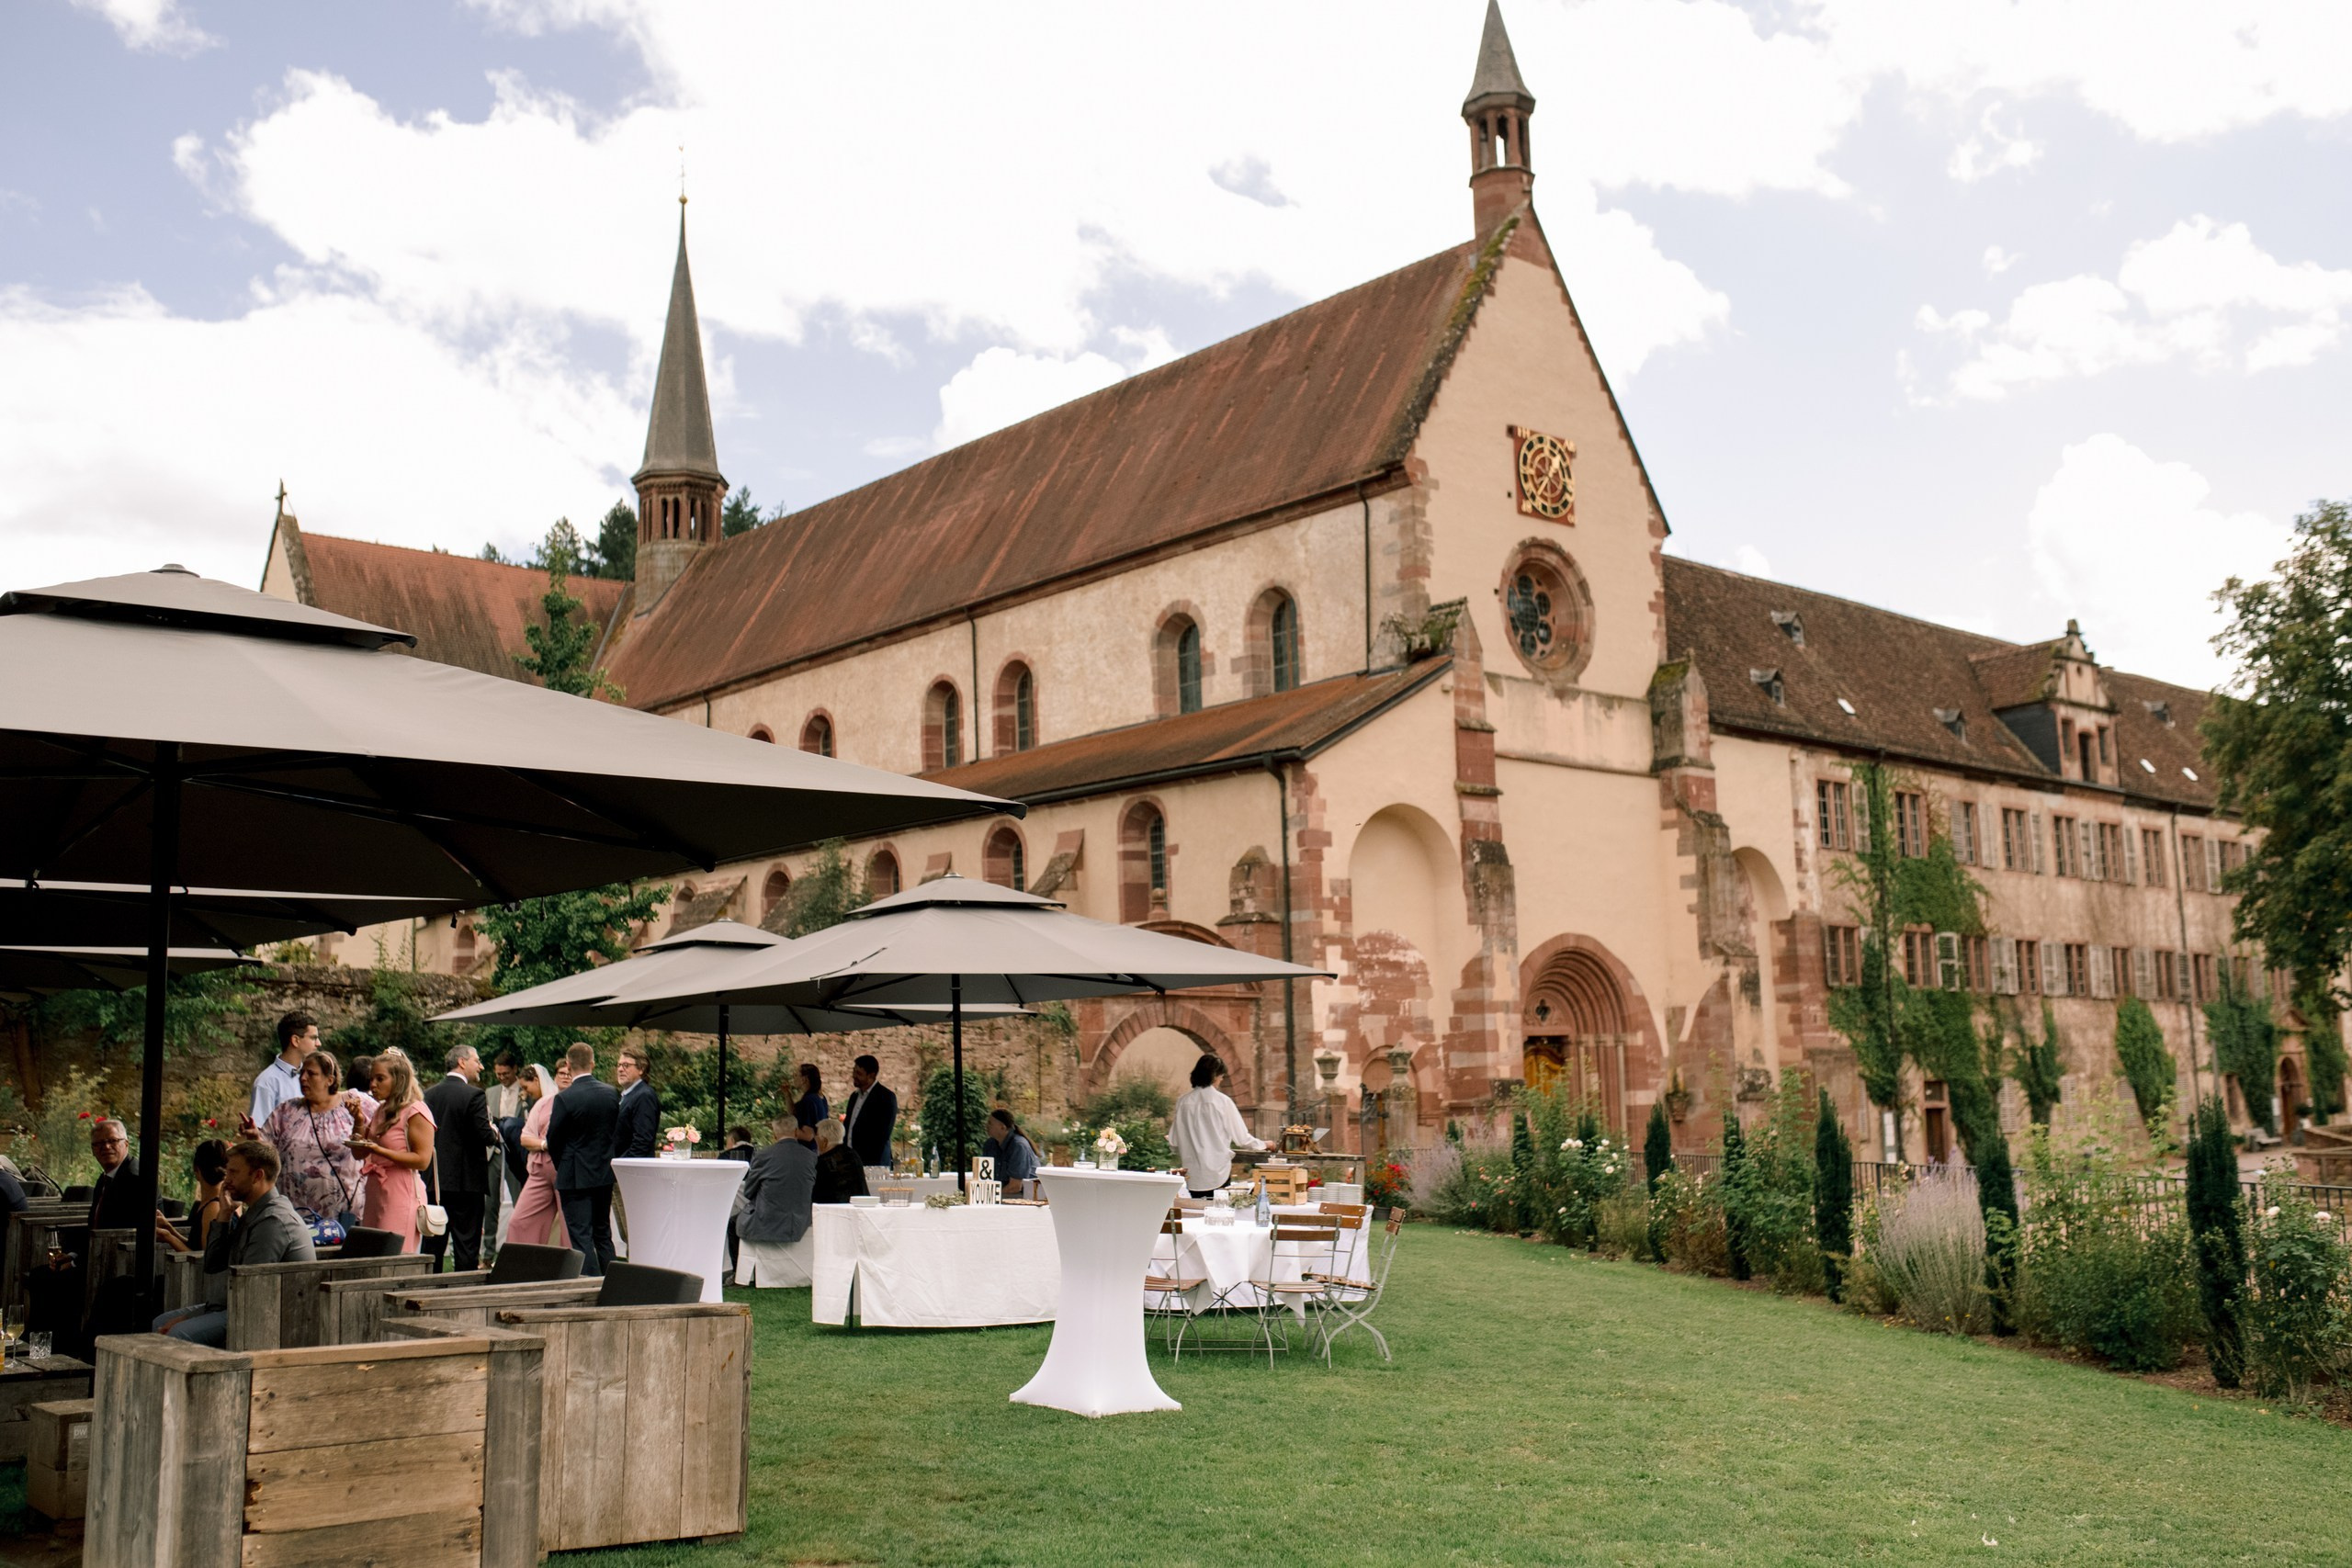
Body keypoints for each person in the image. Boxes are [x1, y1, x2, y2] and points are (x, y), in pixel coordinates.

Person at [151, 1139, 314, 1347]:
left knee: (178, 1334)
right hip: (241, 1305)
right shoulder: (254, 1212)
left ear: (257, 1176)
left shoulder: (273, 1221)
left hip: (272, 1316)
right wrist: (224, 1216)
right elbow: (213, 1264)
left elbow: (249, 1290)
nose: (226, 1180)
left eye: (233, 1173)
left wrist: (188, 1318)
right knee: (160, 1322)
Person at [253, 1048, 369, 1235]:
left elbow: (387, 1126)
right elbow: (265, 1146)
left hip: (345, 1212)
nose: (303, 1078)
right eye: (302, 1073)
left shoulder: (355, 1103)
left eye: (311, 1074)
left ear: (329, 1080)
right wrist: (254, 1137)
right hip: (296, 1215)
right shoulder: (287, 1111)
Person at [347, 1047, 437, 1252]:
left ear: (399, 1079)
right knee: (371, 1253)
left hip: (400, 1192)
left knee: (393, 1255)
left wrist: (379, 1150)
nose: (372, 1085)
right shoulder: (381, 1109)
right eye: (372, 1079)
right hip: (375, 1191)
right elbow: (359, 1153)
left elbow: (422, 1160)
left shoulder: (416, 1111)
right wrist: (359, 1121)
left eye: (380, 1078)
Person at [547, 1042, 621, 1274]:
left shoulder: (565, 1098)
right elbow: (615, 1133)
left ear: (567, 1065)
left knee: (581, 1235)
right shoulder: (611, 1093)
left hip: (575, 1175)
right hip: (603, 1172)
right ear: (593, 1063)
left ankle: (591, 1283)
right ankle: (614, 1283)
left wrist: (564, 1165)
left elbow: (554, 1139)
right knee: (603, 1233)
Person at [422, 1043, 498, 1272]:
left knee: (432, 1245)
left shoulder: (428, 1094)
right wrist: (494, 1130)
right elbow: (485, 1136)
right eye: (477, 1060)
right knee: (466, 1245)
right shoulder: (474, 1095)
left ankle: (427, 1289)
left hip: (434, 1181)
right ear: (462, 1062)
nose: (481, 1066)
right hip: (466, 1183)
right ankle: (462, 1291)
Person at [1170, 1054, 1267, 1199]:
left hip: (1193, 1173)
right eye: (1221, 1077)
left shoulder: (1183, 1102)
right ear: (1215, 1076)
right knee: (1218, 1213)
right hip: (1217, 1171)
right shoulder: (1222, 1101)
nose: (1221, 1080)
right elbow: (1242, 1138)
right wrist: (1264, 1144)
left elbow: (1174, 1141)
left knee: (1197, 1213)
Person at [505, 1063, 569, 1250]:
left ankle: (570, 1271)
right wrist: (545, 1144)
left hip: (565, 1171)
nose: (565, 1076)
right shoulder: (543, 1103)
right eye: (561, 1073)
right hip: (540, 1171)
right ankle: (518, 1264)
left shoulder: (579, 1102)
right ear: (555, 1077)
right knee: (518, 1221)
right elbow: (525, 1137)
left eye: (569, 1073)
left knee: (568, 1227)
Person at [734, 1117, 817, 1245]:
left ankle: (736, 1264)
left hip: (766, 1222)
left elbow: (749, 1192)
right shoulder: (811, 1157)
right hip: (800, 1222)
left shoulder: (763, 1155)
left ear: (774, 1135)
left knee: (732, 1223)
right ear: (796, 1132)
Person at [154, 1139, 232, 1257]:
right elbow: (194, 1245)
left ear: (197, 1170)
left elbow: (203, 1258)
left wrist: (168, 1237)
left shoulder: (213, 1207)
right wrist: (169, 1228)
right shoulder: (208, 1203)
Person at [249, 1010, 319, 1127]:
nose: (318, 1043)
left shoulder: (315, 1077)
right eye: (313, 1038)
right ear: (295, 1040)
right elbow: (259, 1131)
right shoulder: (266, 1083)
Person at [841, 1055, 899, 1169]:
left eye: (859, 1073)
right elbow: (848, 1126)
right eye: (854, 1071)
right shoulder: (854, 1097)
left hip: (874, 1163)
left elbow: (883, 1134)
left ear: (871, 1075)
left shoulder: (886, 1097)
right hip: (852, 1161)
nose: (854, 1076)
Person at [488, 1051, 528, 1197]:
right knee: (490, 1202)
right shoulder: (490, 1092)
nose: (502, 1077)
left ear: (515, 1069)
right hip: (494, 1152)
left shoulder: (527, 1090)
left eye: (506, 1073)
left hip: (517, 1151)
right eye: (498, 1074)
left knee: (520, 1197)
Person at [614, 1045, 661, 1159]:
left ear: (641, 1069)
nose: (620, 1069)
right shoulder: (628, 1095)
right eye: (619, 1065)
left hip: (632, 1170)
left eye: (626, 1065)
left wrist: (624, 1167)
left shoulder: (644, 1096)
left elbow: (642, 1141)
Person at [809, 1117, 868, 1205]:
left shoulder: (824, 1162)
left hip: (833, 1209)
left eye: (816, 1137)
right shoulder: (852, 1153)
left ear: (824, 1141)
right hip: (860, 1205)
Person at [981, 1110, 1039, 1188]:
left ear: (1003, 1127)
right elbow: (985, 1178)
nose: (986, 1126)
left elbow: (1015, 1187)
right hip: (1001, 1194)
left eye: (990, 1123)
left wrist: (993, 1196)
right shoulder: (990, 1145)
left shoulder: (1019, 1146)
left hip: (1023, 1196)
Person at [789, 1062, 828, 1146]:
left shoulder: (808, 1101)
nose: (793, 1078)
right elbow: (793, 1113)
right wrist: (787, 1094)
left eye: (796, 1075)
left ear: (804, 1079)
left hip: (808, 1150)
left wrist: (784, 1131)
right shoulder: (820, 1097)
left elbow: (808, 1135)